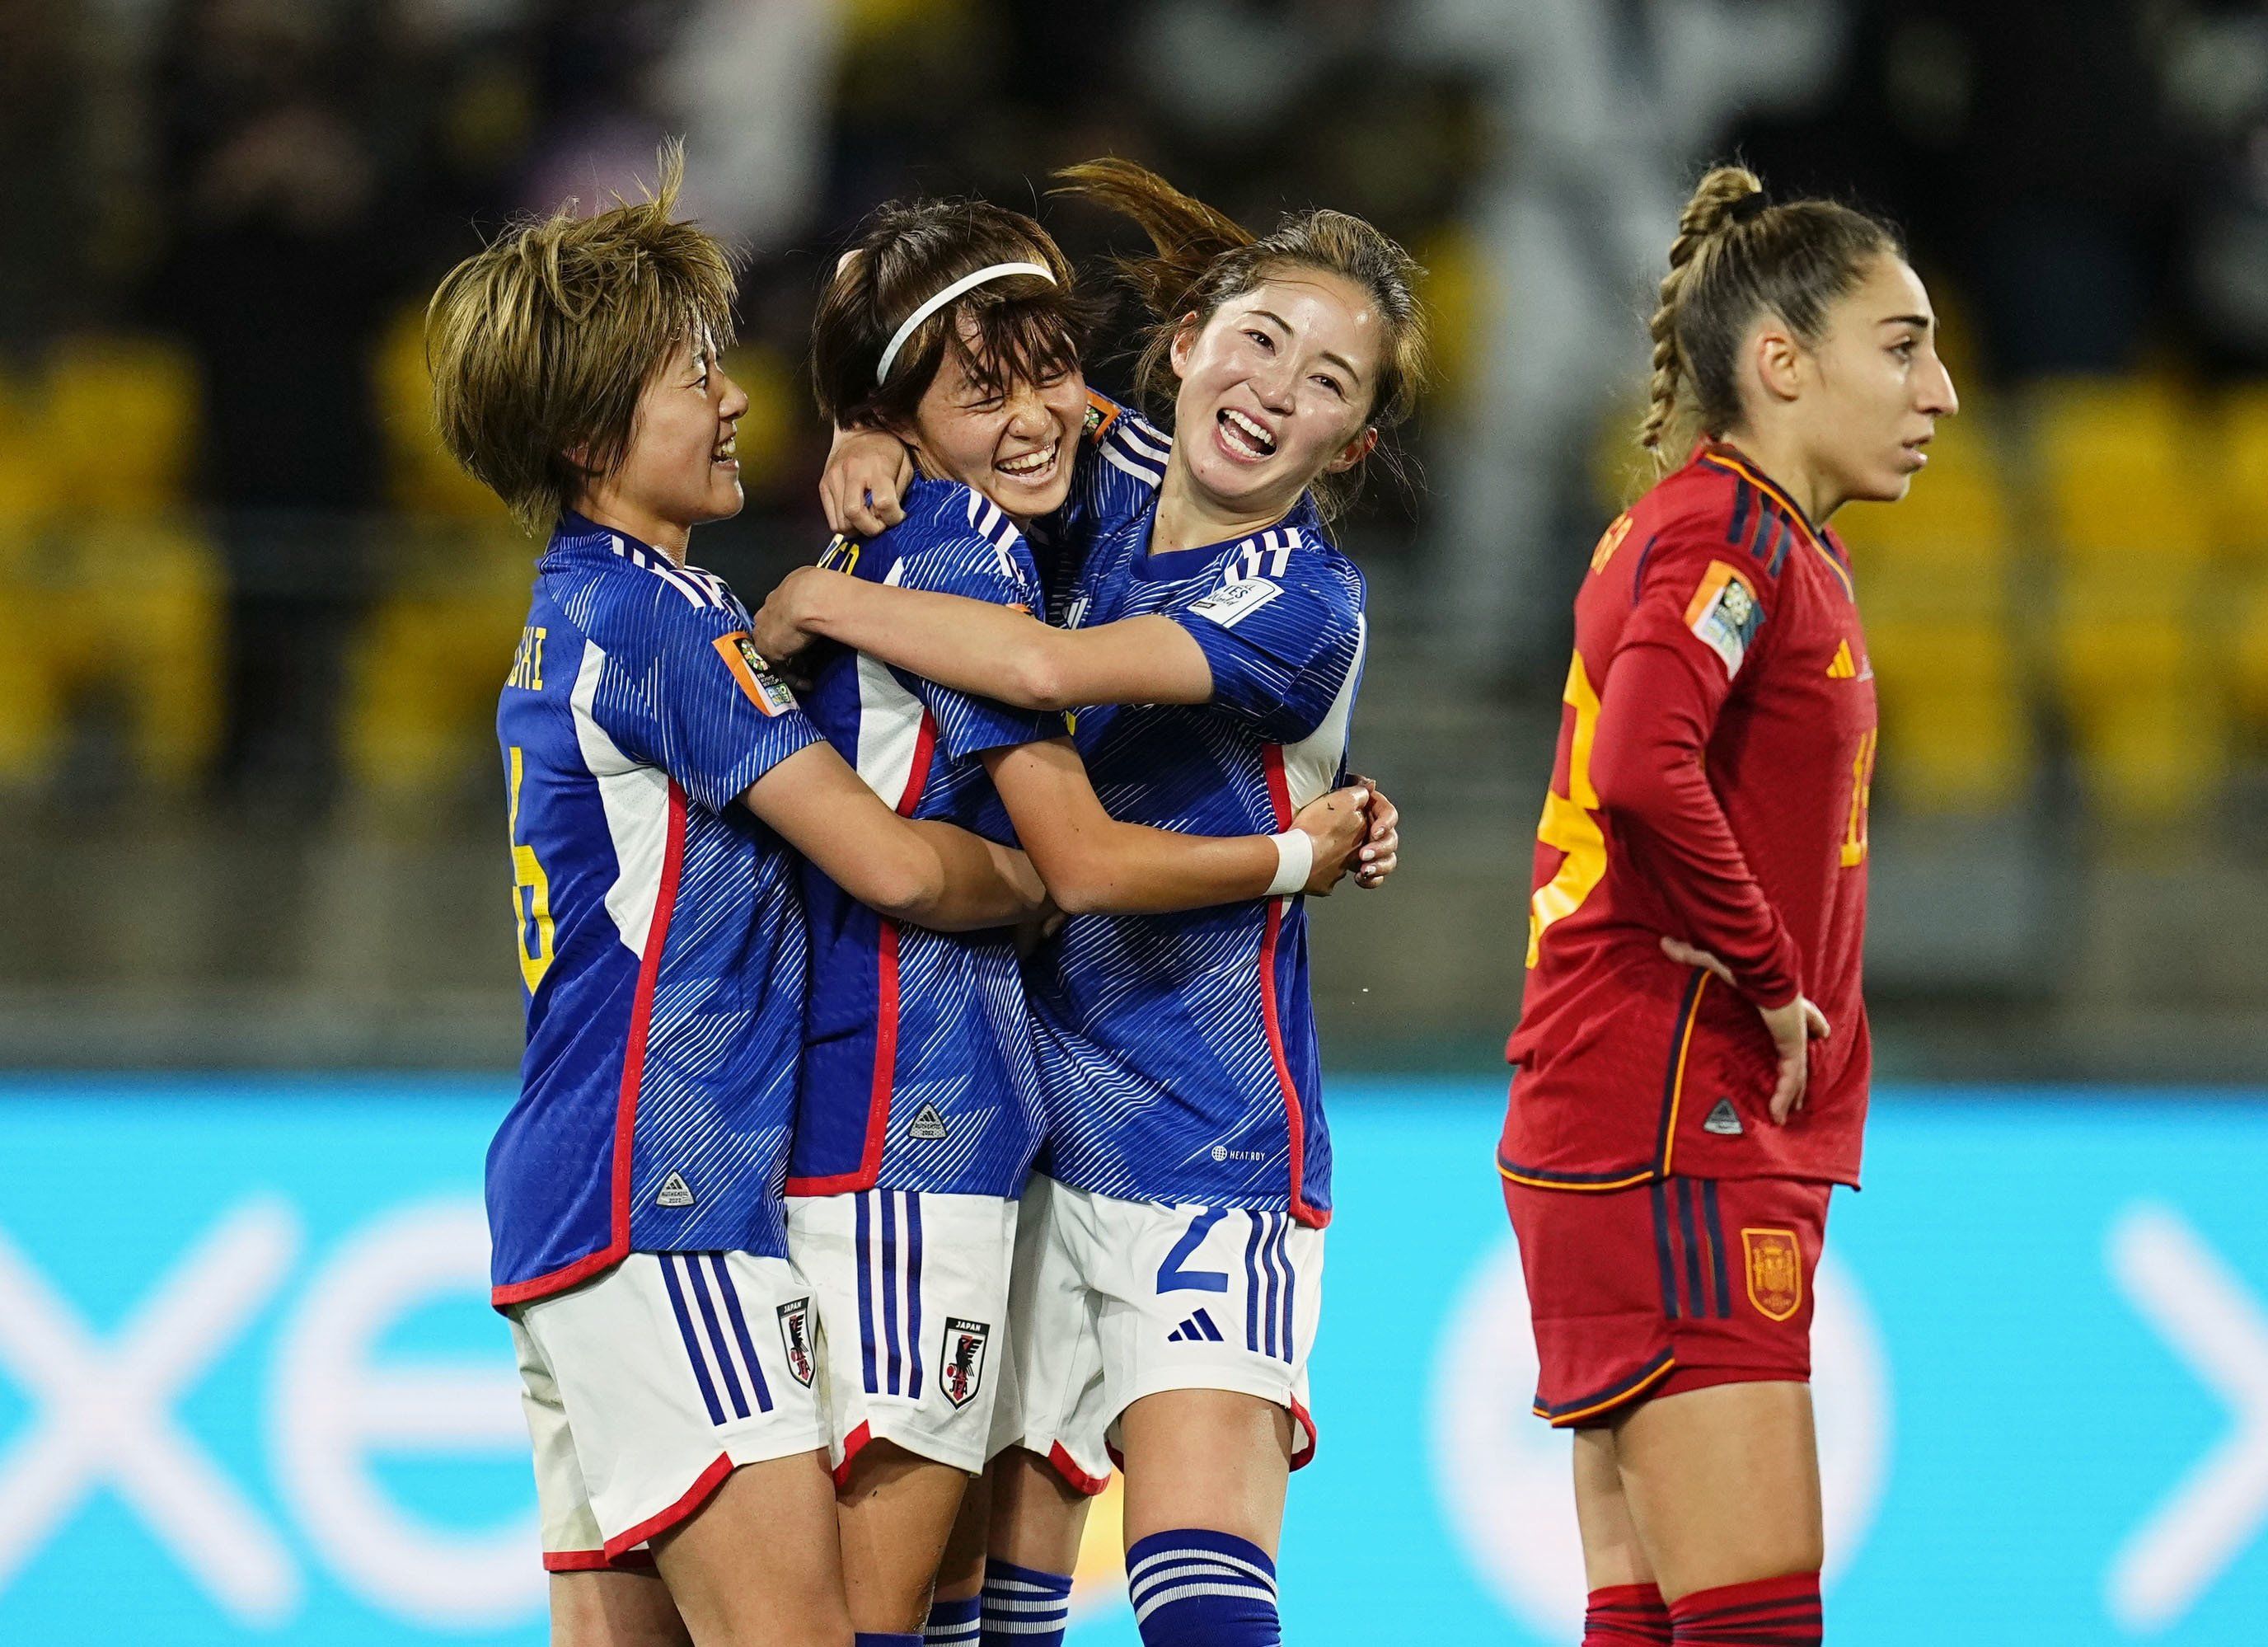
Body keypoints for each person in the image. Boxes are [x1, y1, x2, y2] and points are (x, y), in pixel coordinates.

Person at [757, 157, 1428, 1647]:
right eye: (1258, 339)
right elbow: (973, 412)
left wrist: (820, 598)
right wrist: (869, 435)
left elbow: (1051, 672)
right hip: (1023, 1111)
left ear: (1353, 441)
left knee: (1197, 1595)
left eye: (1326, 382)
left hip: (1208, 1128)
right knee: (992, 1615)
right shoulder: (1098, 466)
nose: (1273, 391)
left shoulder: (1301, 602)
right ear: (1187, 338)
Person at [427, 143, 1052, 1647]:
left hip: (581, 1193)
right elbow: (894, 863)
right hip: (669, 1198)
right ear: (592, 432)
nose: (732, 398)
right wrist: (1046, 878)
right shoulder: (651, 618)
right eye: (693, 372)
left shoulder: (587, 613)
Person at [1497, 164, 1956, 1647]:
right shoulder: (1730, 534)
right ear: (1780, 362)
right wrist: (1769, 975)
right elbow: (1642, 760)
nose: (1938, 390)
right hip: (1676, 1113)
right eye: (1900, 345)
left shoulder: (1756, 538)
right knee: (1757, 1622)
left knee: (1652, 1612)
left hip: (1638, 1116)